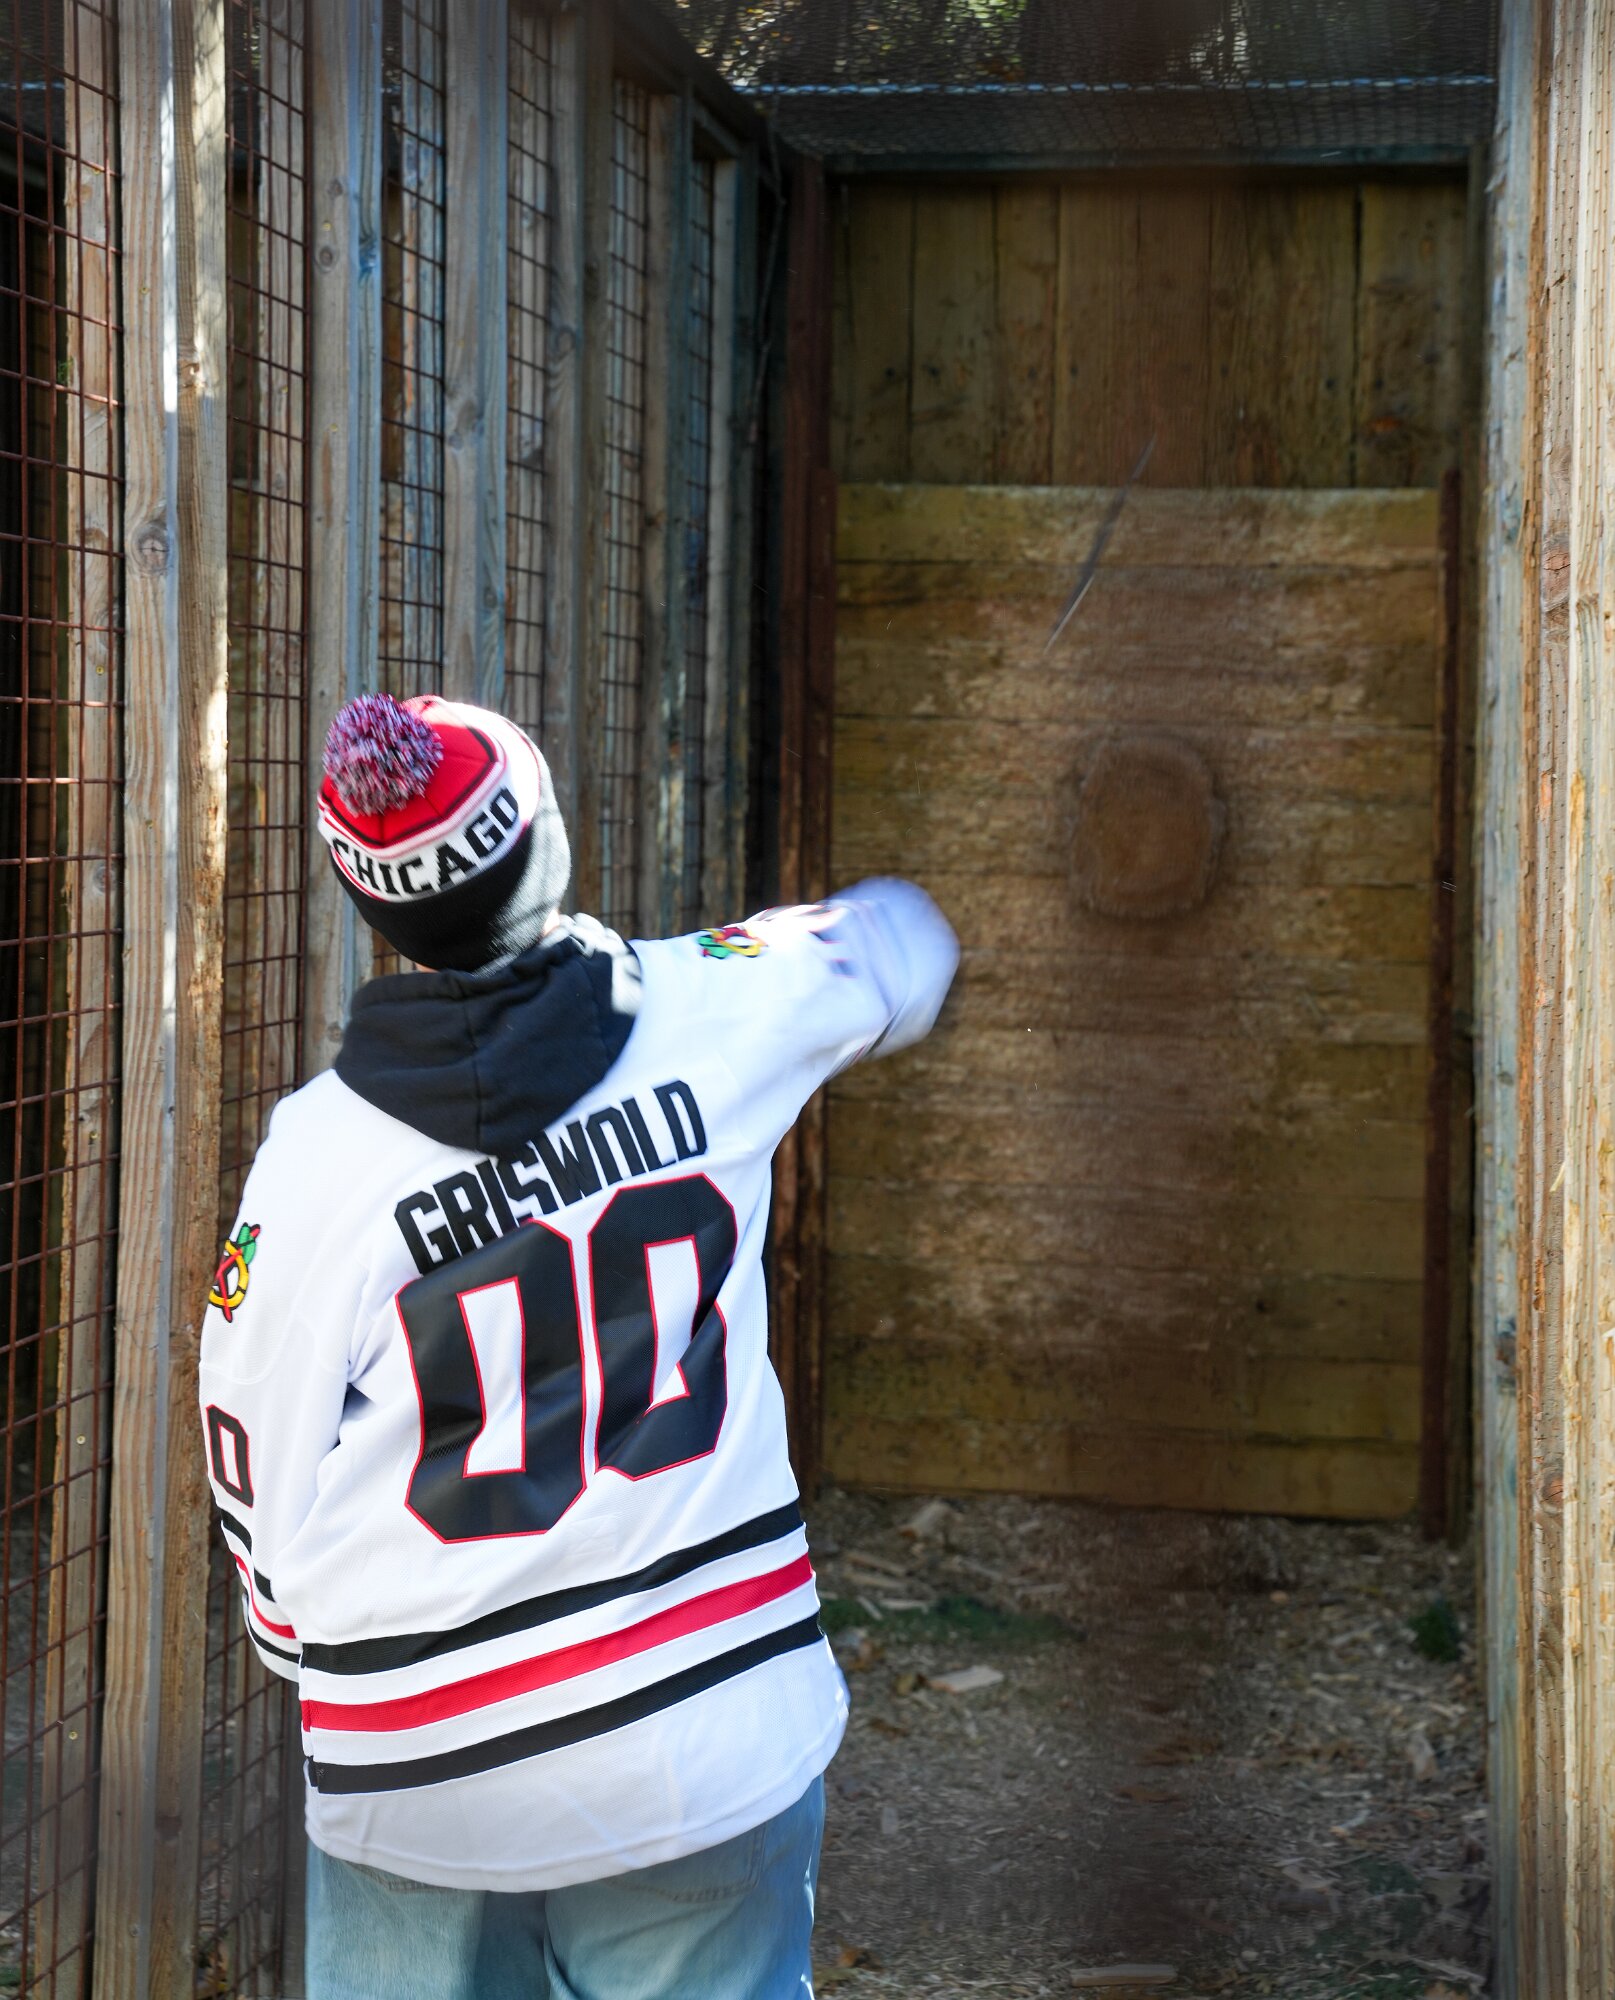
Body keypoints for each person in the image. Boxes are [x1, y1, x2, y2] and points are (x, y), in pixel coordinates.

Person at [198, 692, 958, 2000]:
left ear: (372, 904)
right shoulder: (717, 1004)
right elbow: (904, 947)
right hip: (706, 1724)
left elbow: (250, 1437)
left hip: (424, 1754)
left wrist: (293, 1642)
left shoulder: (314, 1163)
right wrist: (790, 944)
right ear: (543, 843)